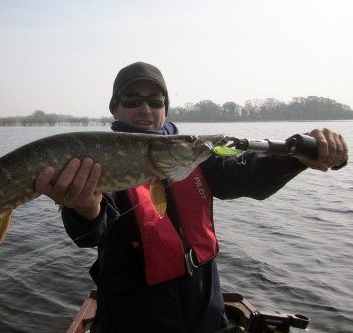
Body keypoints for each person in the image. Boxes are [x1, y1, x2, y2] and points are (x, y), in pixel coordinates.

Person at [35, 62, 348, 332]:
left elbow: (251, 177)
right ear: (115, 108)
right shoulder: (99, 159)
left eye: (155, 101)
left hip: (206, 318)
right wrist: (85, 207)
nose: (145, 109)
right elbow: (91, 232)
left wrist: (297, 159)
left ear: (165, 109)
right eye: (133, 99)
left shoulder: (193, 156)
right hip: (133, 321)